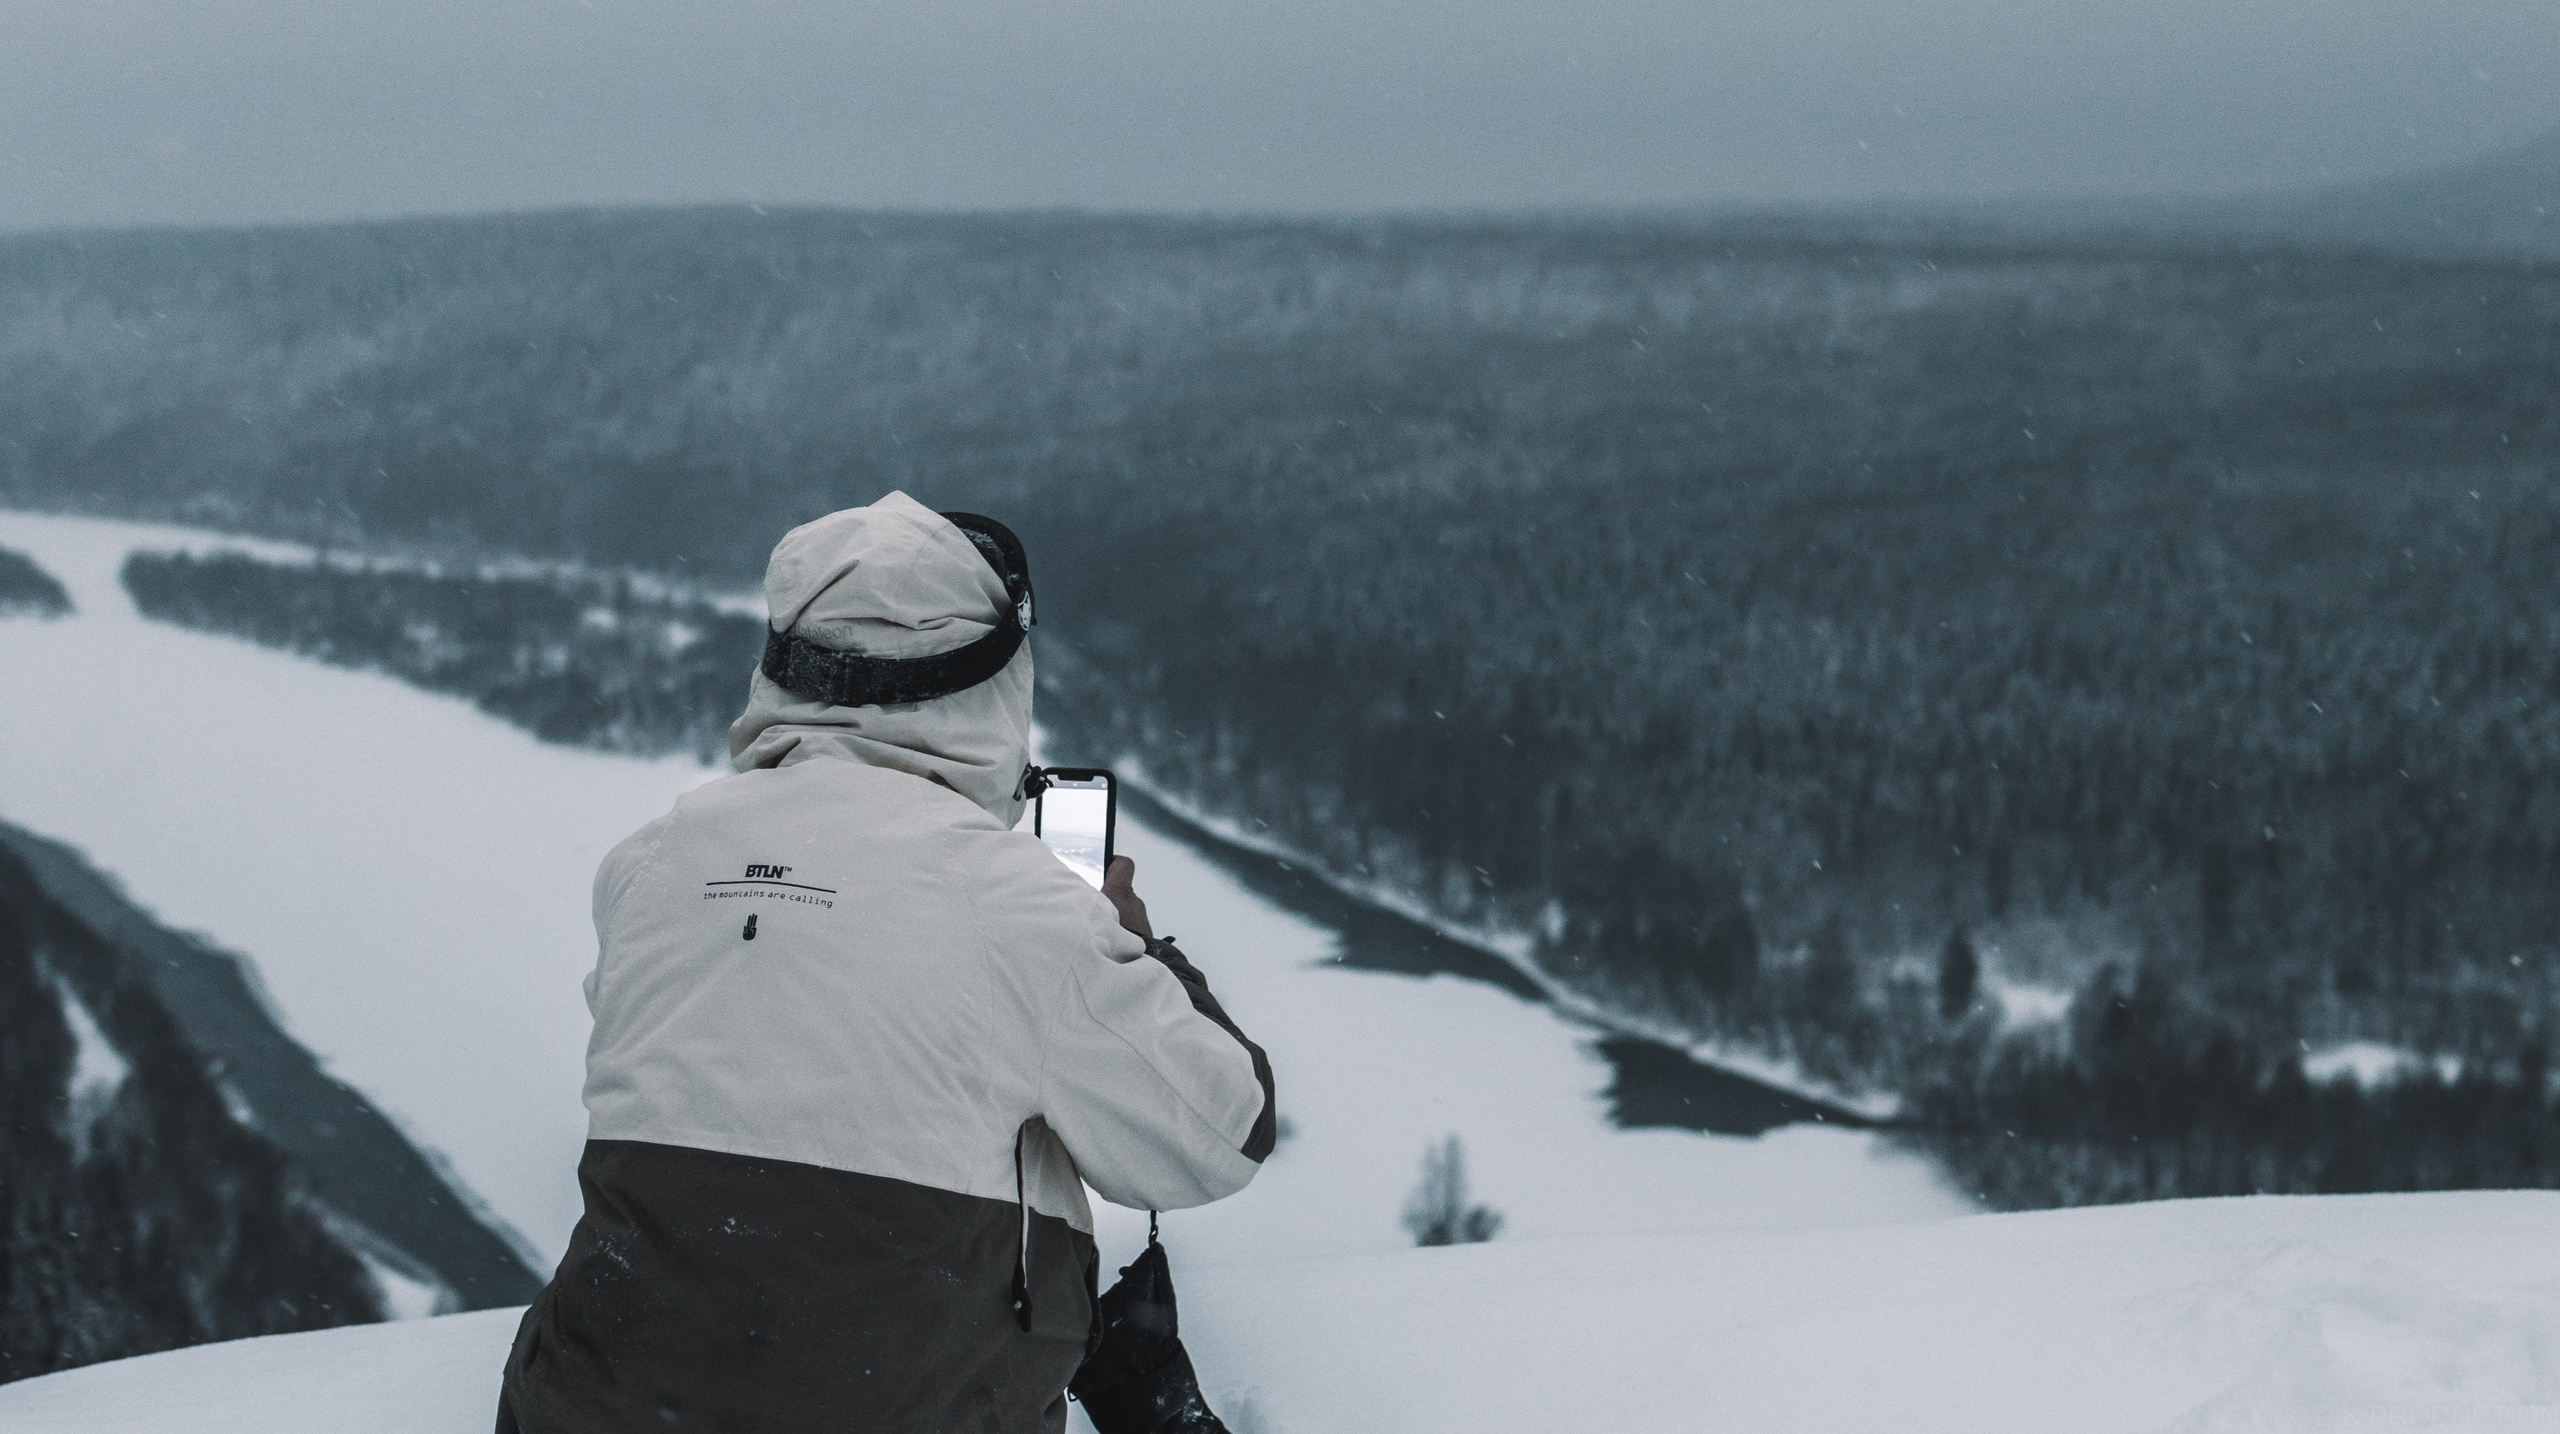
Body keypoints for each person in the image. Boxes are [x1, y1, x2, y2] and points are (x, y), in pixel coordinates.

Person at [497, 491, 1275, 1433]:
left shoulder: (652, 862)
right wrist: (1137, 945)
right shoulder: (1019, 907)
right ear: (992, 688)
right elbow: (1223, 1135)